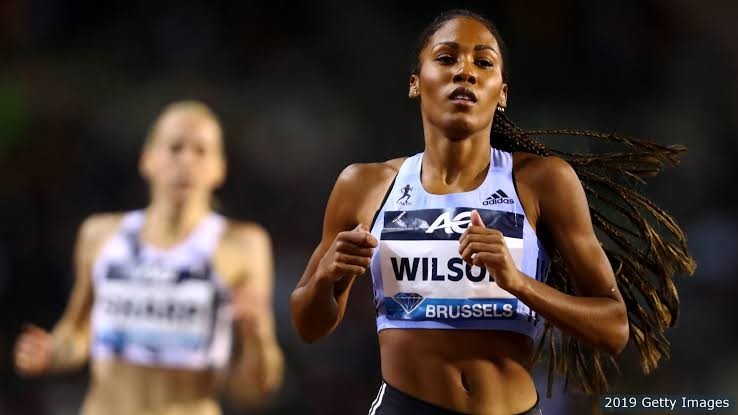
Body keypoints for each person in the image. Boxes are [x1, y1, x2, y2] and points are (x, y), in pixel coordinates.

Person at [290, 9, 695, 415]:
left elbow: (614, 328)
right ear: (415, 82)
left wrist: (518, 282)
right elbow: (309, 326)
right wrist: (327, 275)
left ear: (501, 93)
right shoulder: (364, 185)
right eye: (446, 58)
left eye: (483, 62)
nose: (465, 72)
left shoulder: (542, 182)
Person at [14, 101, 284, 415]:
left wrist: (257, 337)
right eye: (175, 148)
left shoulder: (242, 246)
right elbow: (78, 332)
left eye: (201, 151)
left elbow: (256, 390)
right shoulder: (100, 235)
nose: (186, 161)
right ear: (147, 160)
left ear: (219, 169)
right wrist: (51, 352)